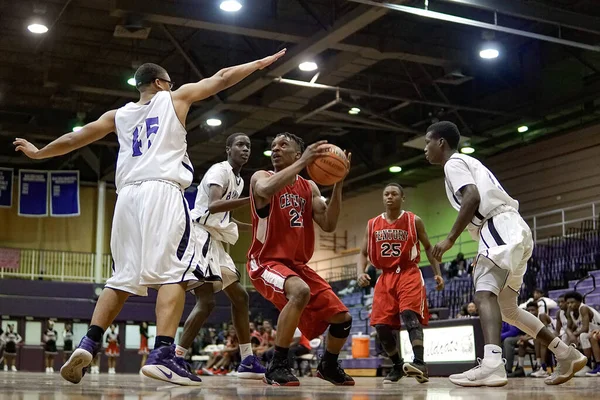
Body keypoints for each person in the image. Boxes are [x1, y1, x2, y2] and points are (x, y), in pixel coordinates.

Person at [14, 49, 286, 386]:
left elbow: (75, 137)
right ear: (160, 83)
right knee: (176, 272)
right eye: (169, 82)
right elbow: (221, 78)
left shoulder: (118, 115)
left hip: (126, 198)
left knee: (122, 277)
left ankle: (90, 342)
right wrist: (259, 64)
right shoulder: (174, 98)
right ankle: (163, 354)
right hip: (163, 191)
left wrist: (40, 152)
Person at [424, 121, 586, 386]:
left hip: (497, 226)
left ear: (441, 142)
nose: (425, 149)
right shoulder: (468, 162)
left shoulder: (452, 163)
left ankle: (492, 363)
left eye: (427, 142)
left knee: (483, 292)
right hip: (513, 227)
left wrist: (450, 239)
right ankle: (566, 353)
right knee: (508, 310)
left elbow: (472, 197)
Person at [247, 133, 354, 386]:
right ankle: (277, 365)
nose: (275, 149)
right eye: (273, 145)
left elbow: (328, 223)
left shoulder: (309, 187)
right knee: (300, 291)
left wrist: (339, 182)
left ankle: (328, 365)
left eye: (283, 145)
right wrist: (303, 163)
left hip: (296, 265)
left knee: (343, 319)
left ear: (298, 153)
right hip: (264, 260)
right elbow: (264, 190)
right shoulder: (261, 177)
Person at [174, 133, 265, 379]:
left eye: (248, 146)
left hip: (215, 239)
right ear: (228, 149)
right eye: (240, 145)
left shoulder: (238, 180)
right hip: (199, 235)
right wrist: (253, 201)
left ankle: (247, 360)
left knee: (240, 297)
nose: (245, 149)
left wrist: (254, 227)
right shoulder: (219, 171)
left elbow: (224, 217)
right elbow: (213, 206)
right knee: (207, 301)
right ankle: (177, 357)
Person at [356, 183, 444, 384]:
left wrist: (437, 273)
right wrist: (360, 272)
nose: (389, 197)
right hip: (385, 276)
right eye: (386, 194)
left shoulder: (414, 220)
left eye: (394, 194)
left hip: (408, 272)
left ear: (402, 198)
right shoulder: (372, 224)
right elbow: (362, 253)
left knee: (409, 313)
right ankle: (397, 365)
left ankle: (420, 363)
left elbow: (429, 248)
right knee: (380, 325)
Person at [564, 291, 600, 376]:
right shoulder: (570, 311)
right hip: (590, 332)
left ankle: (588, 364)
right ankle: (566, 365)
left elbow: (585, 328)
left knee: (583, 336)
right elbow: (568, 328)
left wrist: (574, 335)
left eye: (572, 302)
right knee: (565, 337)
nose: (570, 305)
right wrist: (571, 335)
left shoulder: (583, 308)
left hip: (597, 330)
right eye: (568, 303)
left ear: (579, 302)